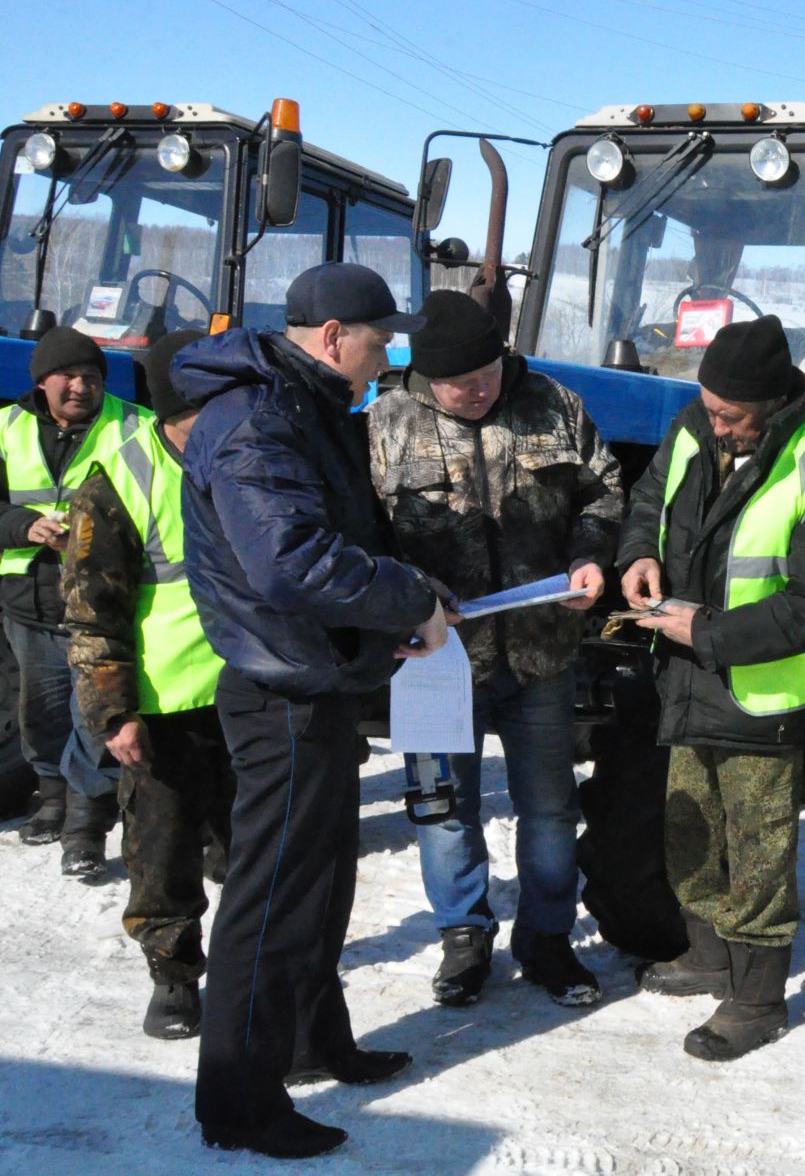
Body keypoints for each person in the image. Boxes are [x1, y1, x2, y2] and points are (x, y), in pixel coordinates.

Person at [175, 263, 450, 1159]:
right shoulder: (256, 418)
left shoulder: (303, 404)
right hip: (279, 693)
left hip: (319, 679)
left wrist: (390, 610)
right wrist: (406, 598)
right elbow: (290, 562)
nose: (389, 356)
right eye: (380, 340)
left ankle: (307, 1040)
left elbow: (342, 539)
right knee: (270, 899)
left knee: (321, 886)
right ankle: (240, 1103)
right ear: (333, 336)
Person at [617, 314, 805, 1062]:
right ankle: (708, 956)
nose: (714, 420)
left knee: (758, 849)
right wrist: (638, 553)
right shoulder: (697, 424)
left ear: (769, 403)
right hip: (688, 676)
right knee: (690, 828)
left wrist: (708, 631)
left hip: (763, 694)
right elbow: (647, 498)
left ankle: (758, 998)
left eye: (730, 414)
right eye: (709, 405)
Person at [369, 290, 622, 1009]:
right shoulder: (386, 420)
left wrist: (590, 557)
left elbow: (602, 493)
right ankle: (464, 937)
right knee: (445, 806)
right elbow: (364, 531)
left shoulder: (556, 405)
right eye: (458, 384)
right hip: (435, 660)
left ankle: (546, 938)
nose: (476, 392)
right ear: (424, 377)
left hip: (542, 650)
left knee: (548, 809)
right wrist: (405, 593)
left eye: (486, 375)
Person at [62, 330, 232, 1039]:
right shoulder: (116, 479)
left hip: (254, 694)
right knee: (161, 855)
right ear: (170, 413)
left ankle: (256, 967)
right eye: (205, 414)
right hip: (162, 709)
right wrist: (113, 714)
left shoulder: (249, 456)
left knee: (258, 845)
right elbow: (90, 611)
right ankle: (174, 975)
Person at [0, 326, 142, 876]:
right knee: (42, 714)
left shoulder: (135, 426)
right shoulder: (7, 428)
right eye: (69, 376)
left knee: (97, 716)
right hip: (29, 600)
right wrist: (25, 526)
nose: (81, 386)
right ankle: (53, 802)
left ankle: (85, 828)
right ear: (43, 382)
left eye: (92, 376)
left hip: (105, 605)